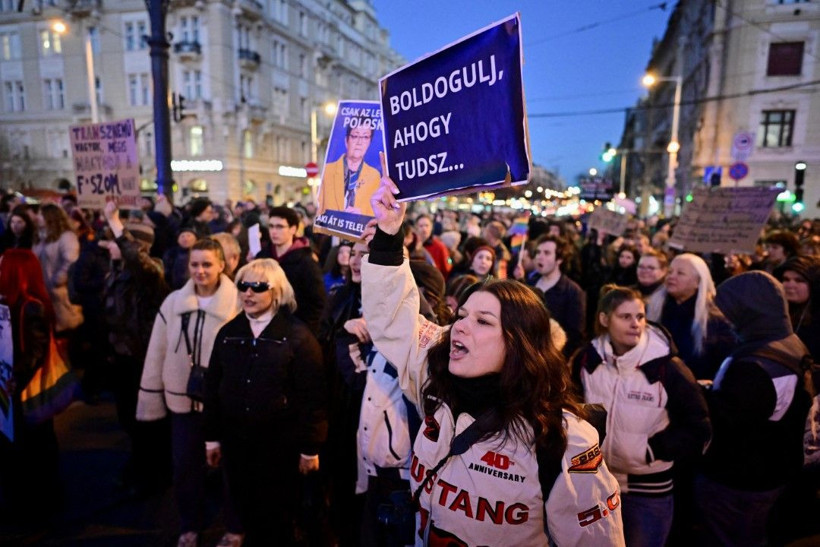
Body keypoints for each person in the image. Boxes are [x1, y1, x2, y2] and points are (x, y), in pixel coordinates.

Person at [361, 170, 625, 546]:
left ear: (519, 344)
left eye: (483, 321)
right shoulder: (436, 380)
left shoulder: (564, 443)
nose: (461, 328)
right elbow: (393, 319)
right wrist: (388, 236)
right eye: (462, 315)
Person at [571, 285, 710, 547]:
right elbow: (570, 413)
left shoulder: (666, 368)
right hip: (595, 483)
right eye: (625, 317)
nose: (636, 324)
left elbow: (698, 426)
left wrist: (651, 450)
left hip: (647, 490)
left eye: (640, 316)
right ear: (604, 319)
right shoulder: (585, 361)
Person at [205, 259, 327, 546]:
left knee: (278, 517)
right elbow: (213, 388)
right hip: (237, 442)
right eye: (243, 286)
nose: (248, 293)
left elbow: (314, 397)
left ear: (278, 291)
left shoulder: (298, 336)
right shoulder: (229, 332)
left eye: (258, 286)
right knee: (246, 508)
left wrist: (311, 447)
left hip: (280, 445)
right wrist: (211, 437)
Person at [137, 238, 240, 547]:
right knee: (184, 467)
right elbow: (158, 350)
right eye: (194, 264)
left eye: (207, 264)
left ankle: (234, 527)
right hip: (183, 401)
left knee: (231, 469)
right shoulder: (173, 303)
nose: (200, 271)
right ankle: (189, 526)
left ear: (222, 265)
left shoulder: (237, 302)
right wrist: (151, 396)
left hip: (223, 404)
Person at [697, 271, 813, 546]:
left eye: (730, 311)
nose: (726, 318)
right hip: (771, 473)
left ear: (749, 310)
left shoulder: (754, 364)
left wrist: (702, 395)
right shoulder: (787, 342)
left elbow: (729, 421)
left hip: (739, 480)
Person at [101, 201, 171, 496]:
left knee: (147, 421)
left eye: (118, 242)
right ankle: (139, 464)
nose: (111, 246)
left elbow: (137, 260)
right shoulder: (116, 273)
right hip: (121, 356)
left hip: (142, 359)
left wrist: (117, 224)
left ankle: (152, 475)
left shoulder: (151, 272)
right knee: (128, 417)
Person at [0, 249, 62, 523]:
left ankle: (37, 507)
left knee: (32, 449)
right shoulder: (10, 303)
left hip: (25, 391)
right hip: (15, 389)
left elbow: (36, 351)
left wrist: (15, 379)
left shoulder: (31, 305)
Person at [652, 253, 734, 381]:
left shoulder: (716, 320)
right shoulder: (652, 310)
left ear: (698, 282)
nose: (671, 277)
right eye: (670, 271)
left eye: (680, 273)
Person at [256, 206, 326, 331]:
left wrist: (303, 332)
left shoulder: (306, 261)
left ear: (293, 229)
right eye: (271, 226)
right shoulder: (262, 257)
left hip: (295, 329)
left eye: (280, 227)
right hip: (264, 326)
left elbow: (318, 303)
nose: (274, 231)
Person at [529, 233, 587, 358]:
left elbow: (575, 336)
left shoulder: (573, 292)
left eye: (547, 253)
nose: (540, 257)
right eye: (538, 252)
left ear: (559, 259)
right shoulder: (530, 284)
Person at [32, 203, 83, 333]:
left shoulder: (66, 237)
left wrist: (57, 281)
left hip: (59, 293)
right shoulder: (40, 237)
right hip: (42, 291)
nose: (38, 217)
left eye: (41, 215)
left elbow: (70, 261)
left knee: (64, 329)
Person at [318, 121, 381, 216]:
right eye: (355, 136)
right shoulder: (328, 170)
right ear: (346, 140)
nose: (359, 142)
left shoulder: (374, 176)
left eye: (365, 137)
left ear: (369, 142)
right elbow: (319, 210)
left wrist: (361, 217)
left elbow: (376, 215)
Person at [634, 249, 668, 320]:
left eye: (651, 268)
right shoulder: (628, 292)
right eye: (641, 267)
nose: (645, 271)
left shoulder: (668, 297)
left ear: (663, 271)